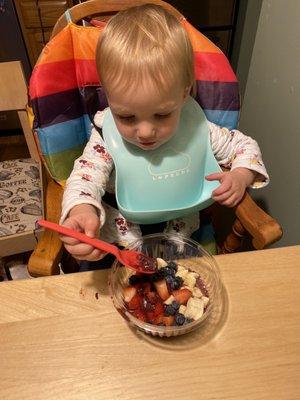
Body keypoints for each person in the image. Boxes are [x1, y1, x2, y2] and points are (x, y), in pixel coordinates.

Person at [60, 4, 269, 265]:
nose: (145, 132)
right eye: (126, 116)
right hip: (120, 243)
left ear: (184, 94)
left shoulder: (197, 129)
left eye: (161, 115)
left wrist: (241, 174)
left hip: (182, 240)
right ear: (109, 97)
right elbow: (84, 176)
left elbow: (245, 147)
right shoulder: (106, 136)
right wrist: (82, 209)